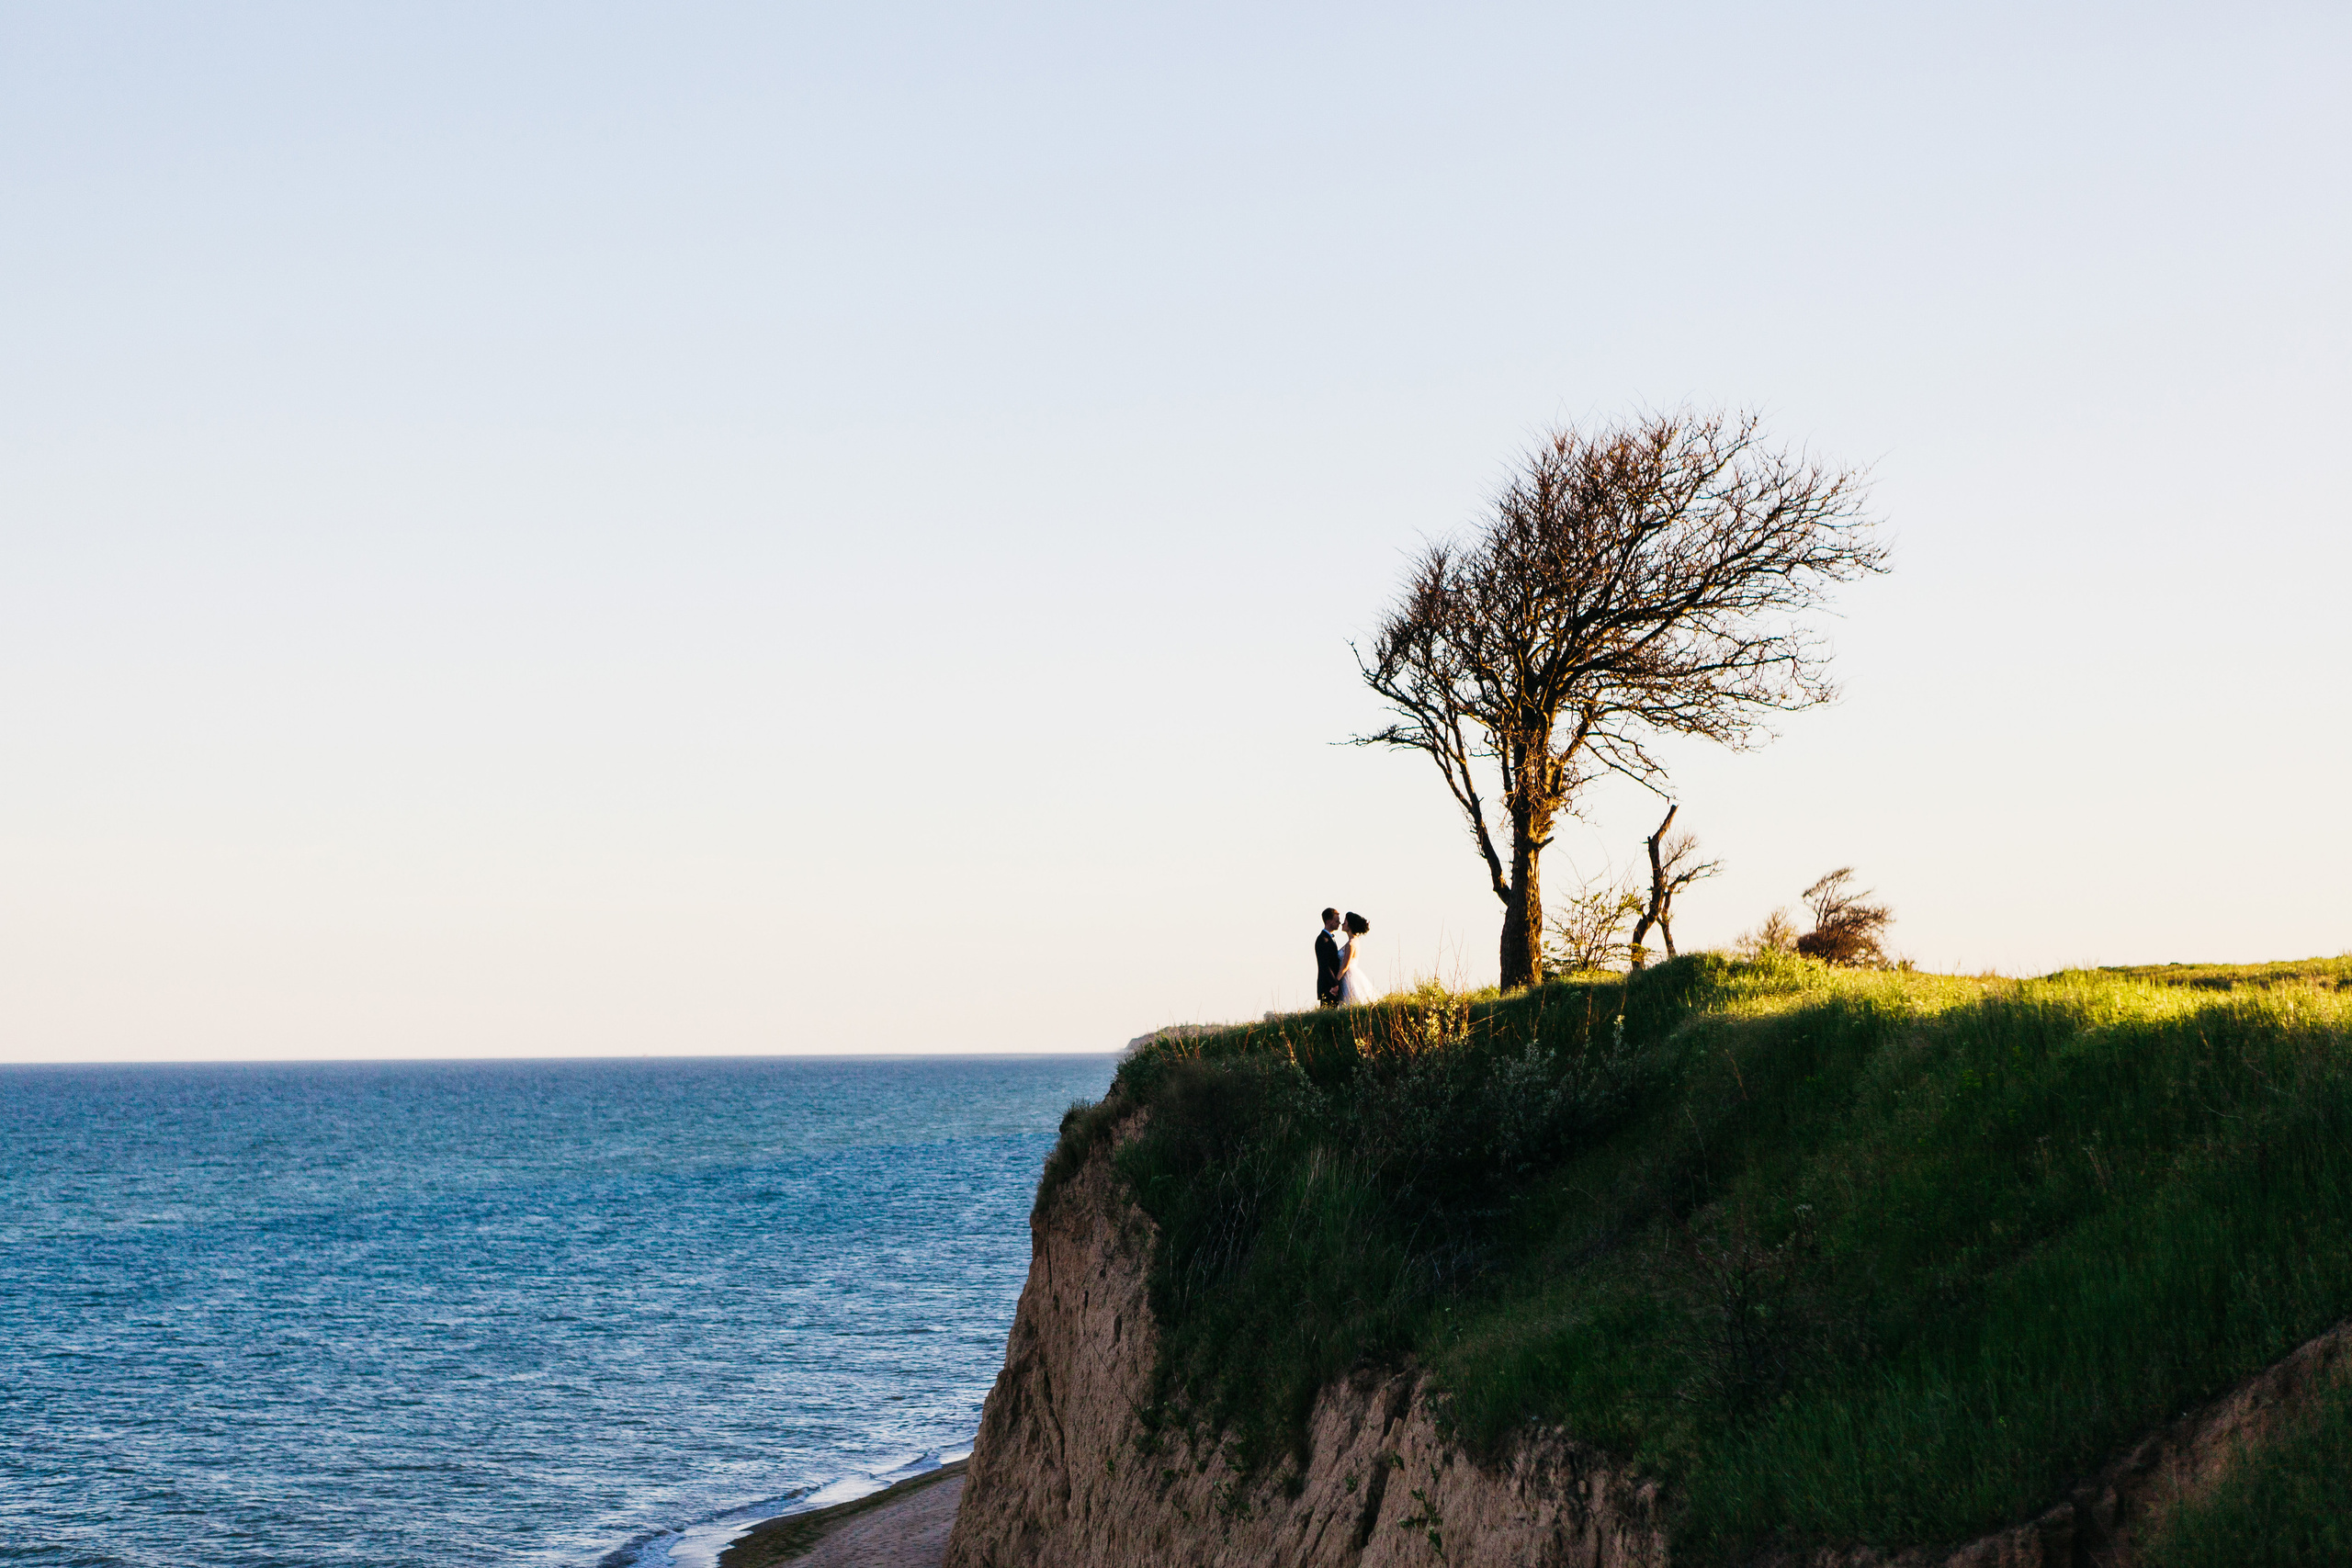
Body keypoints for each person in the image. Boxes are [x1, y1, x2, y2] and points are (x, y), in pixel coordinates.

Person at [1336, 911, 1372, 1005]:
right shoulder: (1355, 941)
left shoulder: (1351, 944)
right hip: (1350, 974)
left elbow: (1345, 965)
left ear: (1350, 925)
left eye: (1345, 922)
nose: (1342, 924)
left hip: (1348, 977)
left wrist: (1335, 982)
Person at [1314, 908, 1343, 1008]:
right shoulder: (1323, 940)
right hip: (1328, 985)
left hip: (1331, 985)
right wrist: (1334, 983)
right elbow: (1325, 965)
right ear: (1328, 921)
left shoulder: (1329, 938)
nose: (1339, 923)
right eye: (1336, 920)